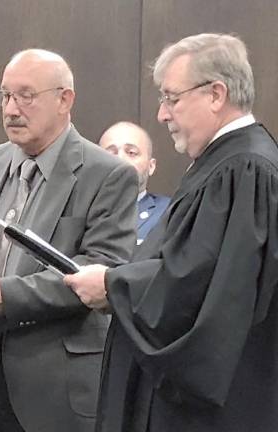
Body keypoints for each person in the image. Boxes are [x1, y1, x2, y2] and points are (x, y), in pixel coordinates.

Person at [64, 33, 278, 432]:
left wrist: (113, 285)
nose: (162, 114)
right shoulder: (224, 163)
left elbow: (203, 284)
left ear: (216, 94)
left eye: (171, 98)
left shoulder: (243, 169)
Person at [0, 49, 138, 432]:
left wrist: (5, 297)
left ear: (65, 99)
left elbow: (100, 270)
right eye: (5, 96)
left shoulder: (108, 176)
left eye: (26, 96)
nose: (11, 109)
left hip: (52, 387)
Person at [99, 121, 170, 244]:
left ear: (151, 166)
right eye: (110, 153)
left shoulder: (169, 212)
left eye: (131, 153)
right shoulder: (83, 211)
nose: (120, 160)